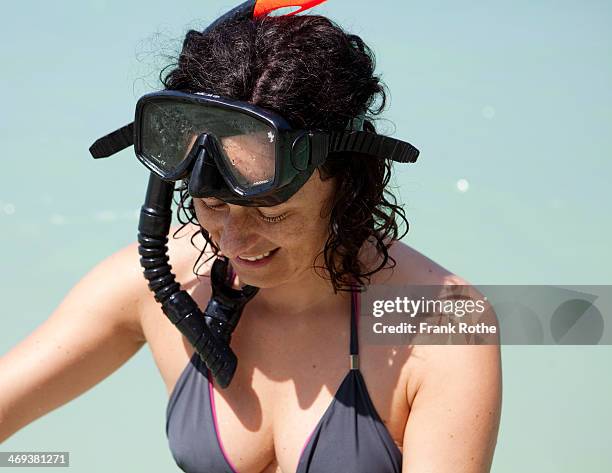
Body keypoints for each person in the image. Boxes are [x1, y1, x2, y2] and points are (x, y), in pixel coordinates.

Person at [0, 3, 502, 472]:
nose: (234, 241)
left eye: (272, 212)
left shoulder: (441, 324)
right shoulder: (156, 284)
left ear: (346, 183)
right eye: (214, 206)